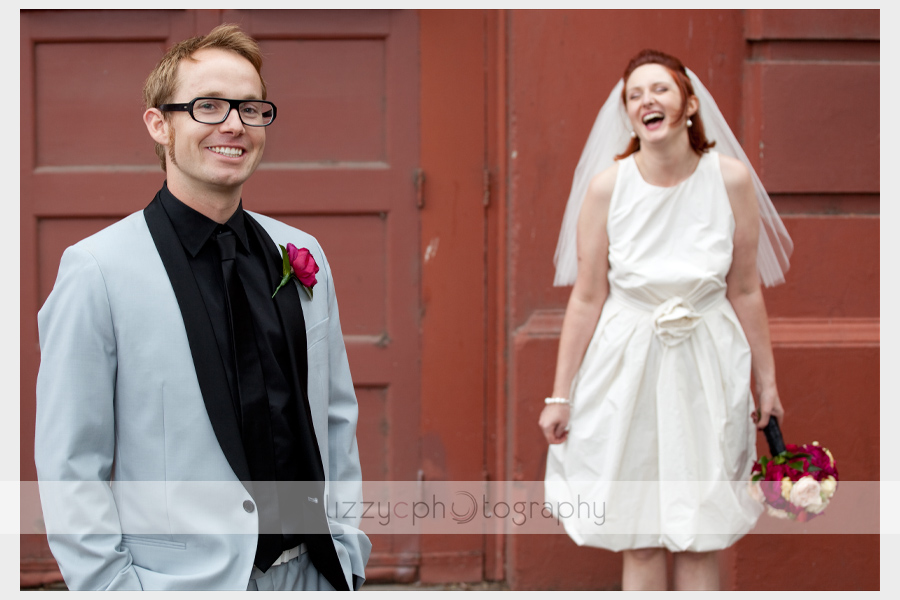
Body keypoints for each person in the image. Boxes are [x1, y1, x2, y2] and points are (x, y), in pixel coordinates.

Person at [34, 24, 370, 591]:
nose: (234, 125)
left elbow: (335, 418)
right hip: (176, 584)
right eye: (208, 106)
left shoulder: (302, 253)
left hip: (312, 576)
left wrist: (346, 549)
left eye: (251, 107)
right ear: (159, 124)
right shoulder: (96, 270)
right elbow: (71, 462)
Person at [540, 49, 792, 591]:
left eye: (659, 89)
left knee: (701, 532)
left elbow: (745, 288)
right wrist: (559, 395)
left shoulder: (730, 180)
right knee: (641, 532)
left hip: (708, 362)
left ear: (690, 104)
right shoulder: (609, 187)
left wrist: (766, 384)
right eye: (634, 94)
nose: (645, 101)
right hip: (625, 365)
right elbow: (587, 297)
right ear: (627, 113)